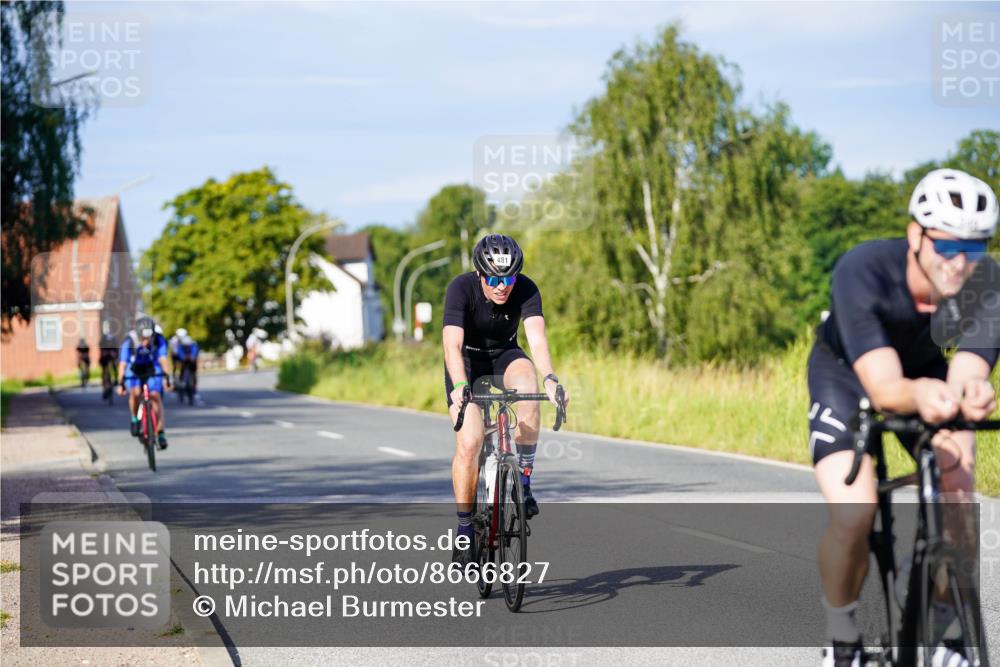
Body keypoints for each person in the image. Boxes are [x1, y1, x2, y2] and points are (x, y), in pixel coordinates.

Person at [807, 169, 1000, 666]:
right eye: (947, 246)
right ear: (916, 235)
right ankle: (841, 636)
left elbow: (968, 369)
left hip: (926, 372)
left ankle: (944, 635)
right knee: (855, 512)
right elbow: (885, 388)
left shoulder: (988, 284)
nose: (961, 263)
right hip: (850, 375)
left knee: (958, 491)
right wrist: (925, 394)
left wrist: (972, 392)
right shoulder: (864, 269)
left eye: (975, 249)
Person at [443, 233, 569, 566]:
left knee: (529, 386)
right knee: (469, 443)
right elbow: (451, 346)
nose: (503, 286)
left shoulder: (526, 289)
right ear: (480, 275)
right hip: (467, 363)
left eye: (509, 278)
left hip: (504, 356)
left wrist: (551, 379)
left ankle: (524, 481)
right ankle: (465, 529)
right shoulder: (460, 288)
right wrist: (458, 385)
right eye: (495, 278)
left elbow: (537, 341)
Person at [118, 316, 172, 449]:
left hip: (151, 367)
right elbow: (123, 364)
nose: (147, 342)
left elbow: (163, 359)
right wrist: (121, 383)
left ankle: (160, 432)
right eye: (143, 338)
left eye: (149, 338)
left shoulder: (159, 340)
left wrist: (167, 378)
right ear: (138, 334)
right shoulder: (129, 342)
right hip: (134, 368)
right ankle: (134, 418)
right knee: (135, 393)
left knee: (155, 395)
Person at [177, 331, 200, 398]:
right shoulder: (181, 346)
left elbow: (194, 352)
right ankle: (182, 383)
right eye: (185, 346)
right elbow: (180, 353)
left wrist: (192, 357)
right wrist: (183, 357)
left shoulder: (193, 345)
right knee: (182, 371)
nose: (186, 347)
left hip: (192, 362)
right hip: (185, 362)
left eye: (187, 346)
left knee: (193, 374)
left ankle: (194, 387)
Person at [98, 333, 119, 399]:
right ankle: (105, 385)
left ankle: (115, 379)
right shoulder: (103, 340)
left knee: (114, 366)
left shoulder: (113, 339)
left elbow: (116, 349)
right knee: (104, 371)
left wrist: (115, 354)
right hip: (105, 357)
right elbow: (100, 348)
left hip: (111, 357)